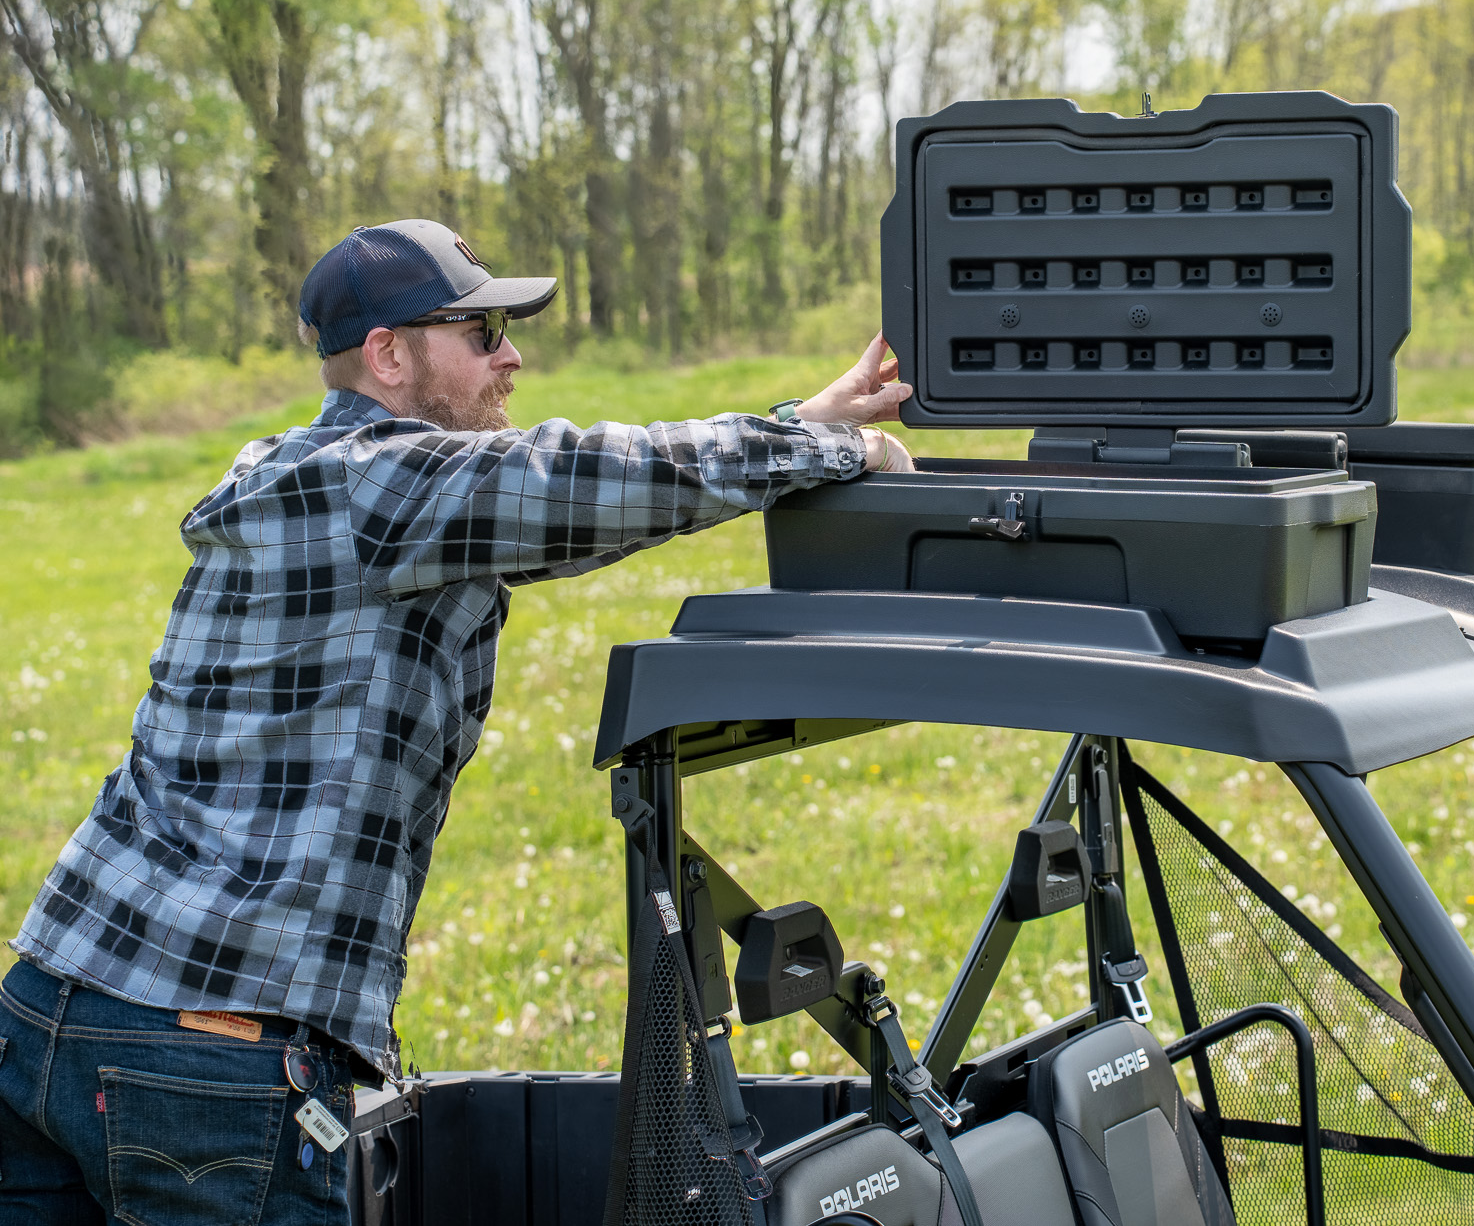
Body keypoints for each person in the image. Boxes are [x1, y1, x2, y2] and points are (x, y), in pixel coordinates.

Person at [0, 218, 916, 1224]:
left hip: (49, 1007)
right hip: (208, 1056)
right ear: (389, 356)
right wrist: (833, 446)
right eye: (481, 334)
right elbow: (593, 479)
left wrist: (798, 421)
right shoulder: (383, 485)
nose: (510, 357)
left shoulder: (297, 473)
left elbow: (561, 505)